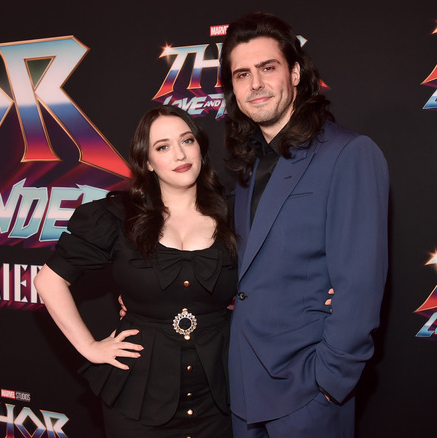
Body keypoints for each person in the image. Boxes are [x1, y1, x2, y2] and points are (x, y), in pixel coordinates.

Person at [219, 12, 389, 437]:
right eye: (242, 74)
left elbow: (360, 283)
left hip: (306, 392)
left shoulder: (348, 153)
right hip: (242, 388)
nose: (255, 83)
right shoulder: (248, 165)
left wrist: (329, 382)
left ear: (295, 73)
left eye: (268, 67)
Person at [34, 105, 237, 437]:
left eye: (187, 140)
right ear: (147, 162)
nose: (180, 154)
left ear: (200, 147)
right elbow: (48, 281)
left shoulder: (236, 212)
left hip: (220, 393)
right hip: (139, 397)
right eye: (163, 147)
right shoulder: (117, 217)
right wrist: (89, 347)